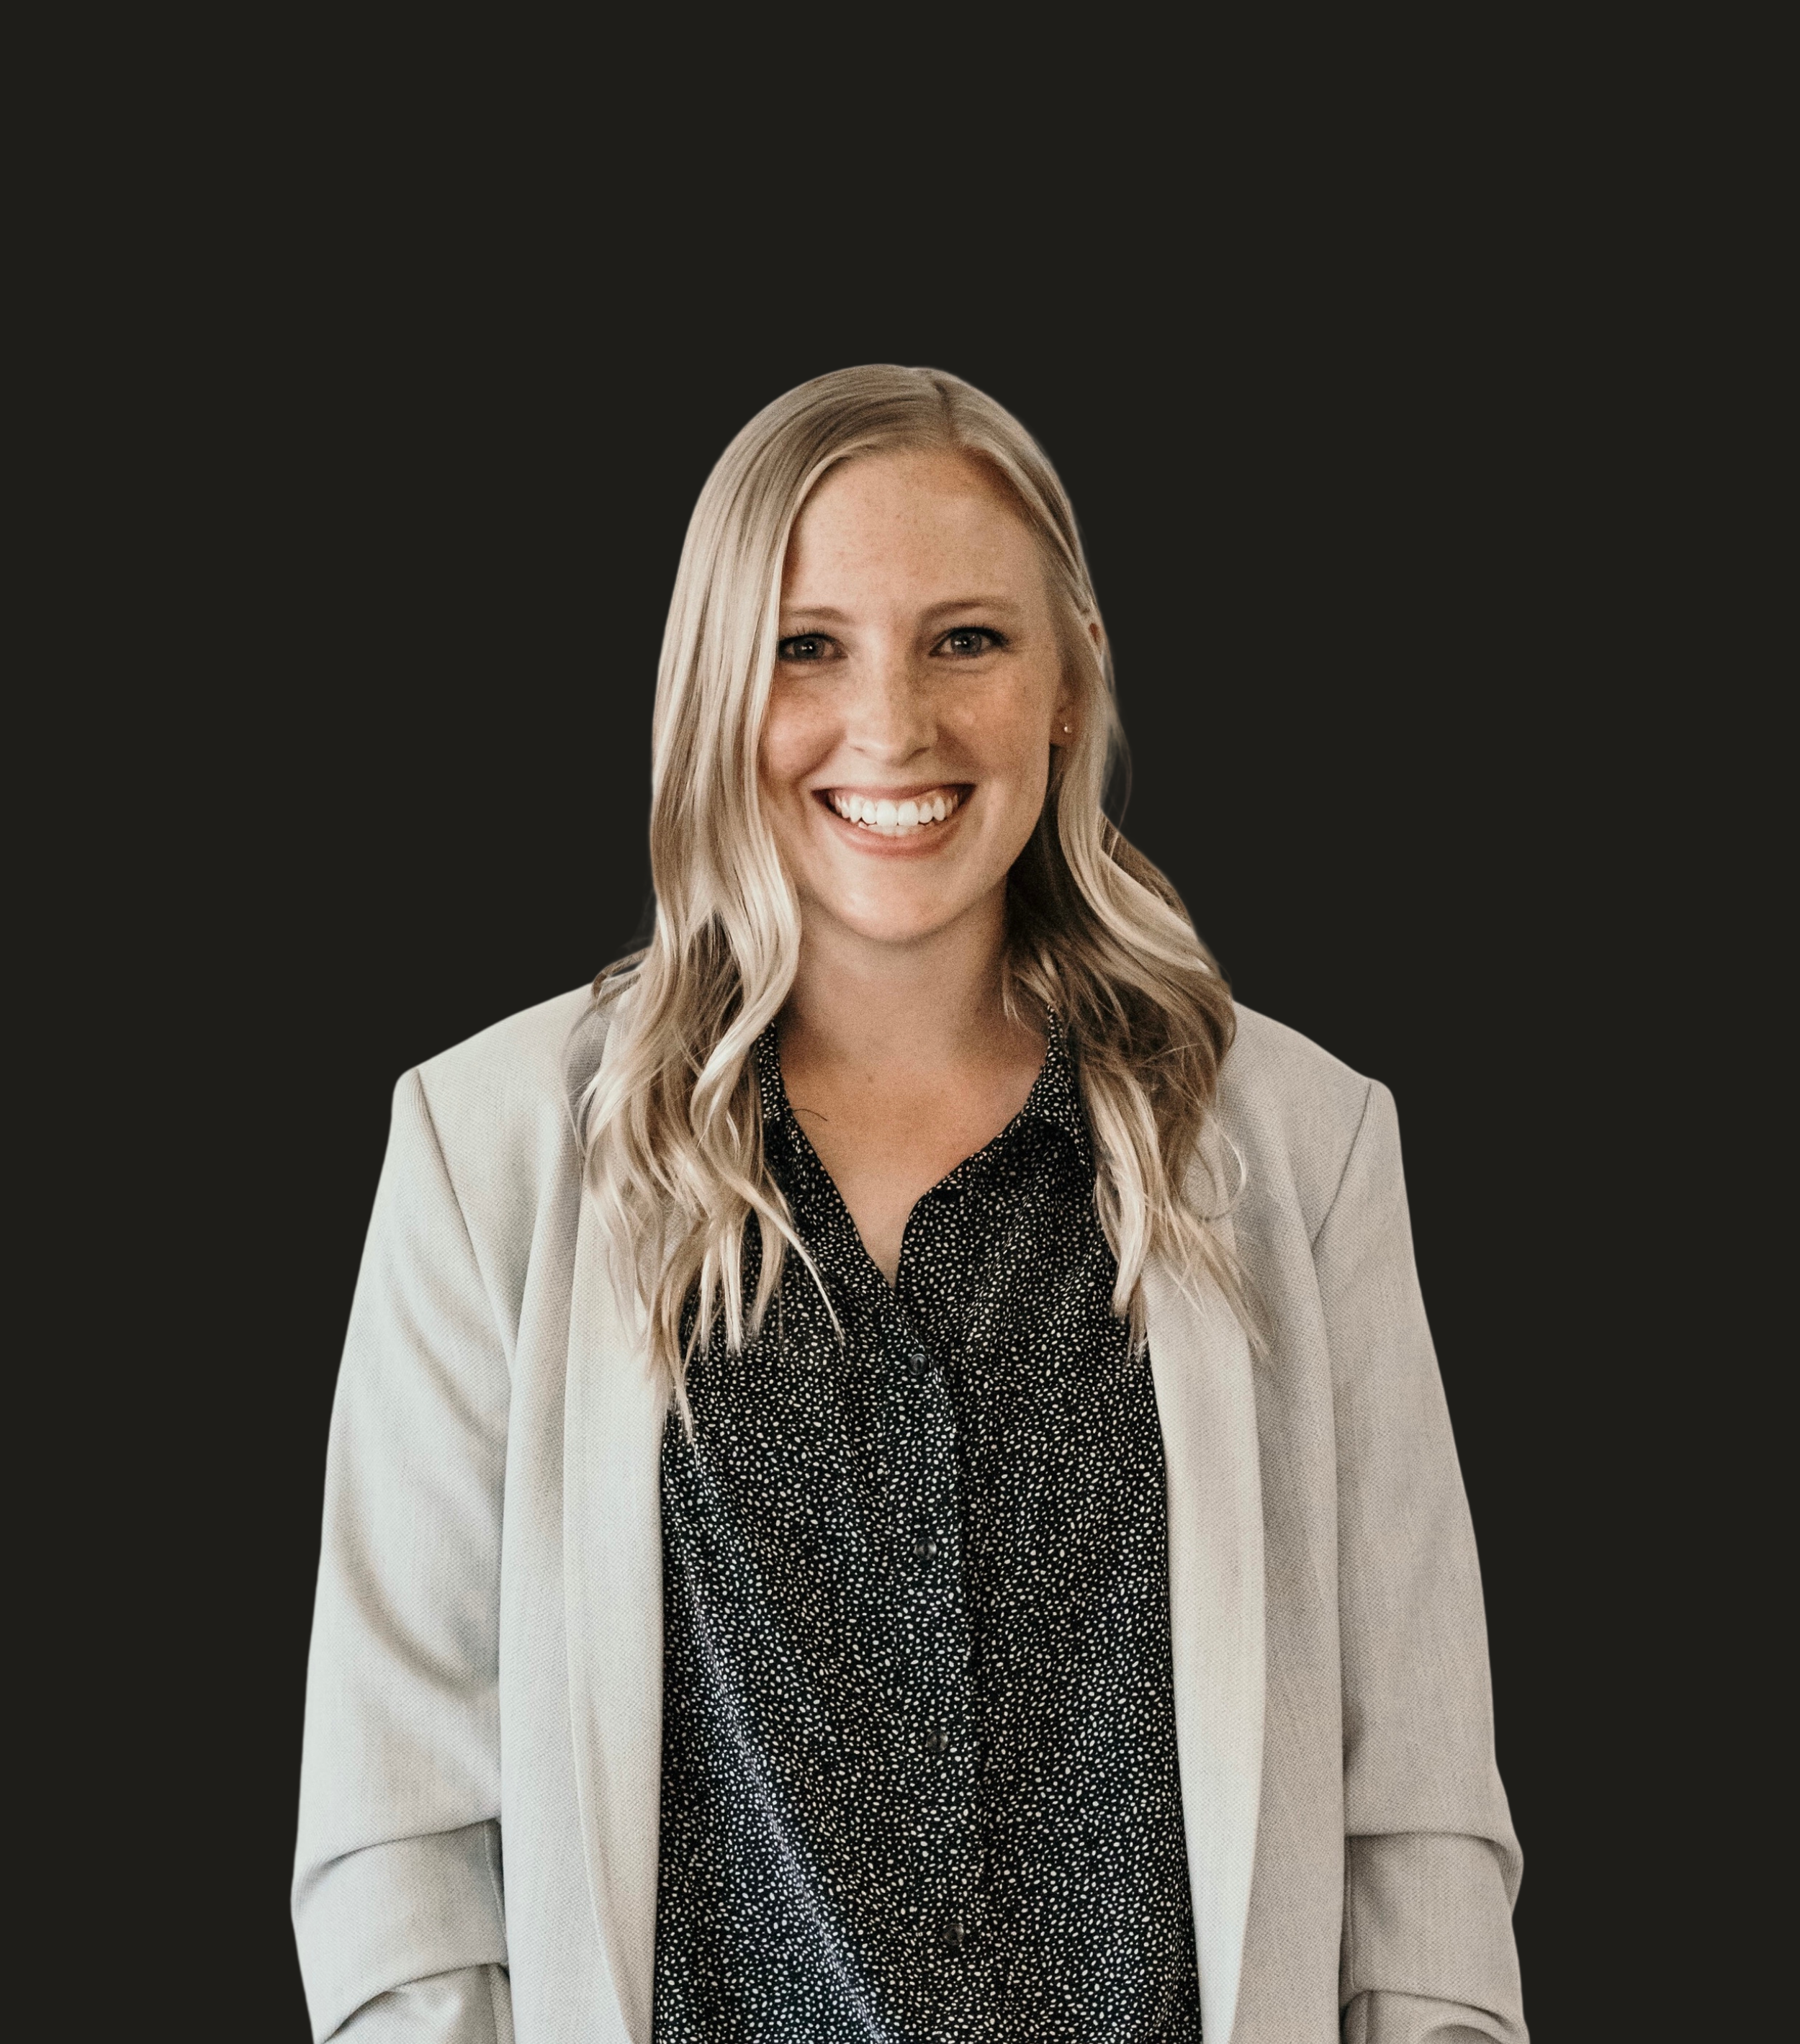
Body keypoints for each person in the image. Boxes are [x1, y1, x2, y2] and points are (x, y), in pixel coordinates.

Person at [293, 365, 1526, 2044]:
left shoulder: (1297, 1148)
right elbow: (401, 1838)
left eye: (967, 640)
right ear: (715, 688)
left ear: (1069, 684)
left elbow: (1416, 1818)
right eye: (809, 646)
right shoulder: (490, 1155)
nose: (892, 727)